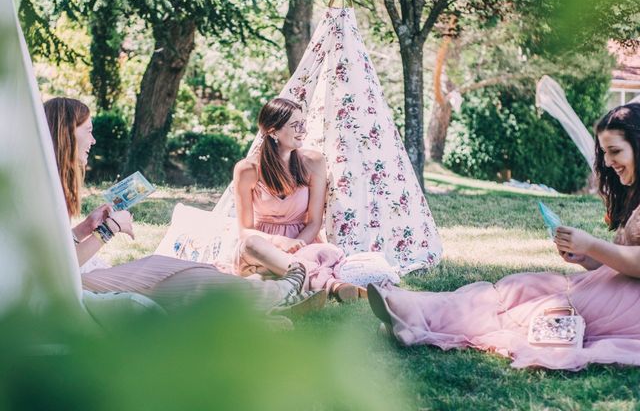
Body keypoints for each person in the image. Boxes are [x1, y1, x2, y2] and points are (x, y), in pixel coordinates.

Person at [367, 103, 640, 370]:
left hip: (630, 306)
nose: (607, 162)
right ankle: (415, 311)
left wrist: (592, 244)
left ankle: (416, 316)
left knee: (535, 309)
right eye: (604, 152)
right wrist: (587, 257)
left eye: (614, 151)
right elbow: (620, 263)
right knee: (523, 286)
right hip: (614, 287)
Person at [43, 97, 325, 315]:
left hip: (78, 277)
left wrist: (85, 226)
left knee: (190, 273)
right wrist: (109, 229)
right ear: (67, 134)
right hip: (70, 285)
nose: (93, 140)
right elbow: (56, 268)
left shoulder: (44, 183)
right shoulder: (39, 189)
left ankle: (266, 306)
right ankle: (281, 293)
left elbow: (53, 249)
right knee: (181, 279)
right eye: (88, 132)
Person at [234, 97, 366, 301]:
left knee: (325, 252)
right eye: (295, 125)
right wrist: (279, 242)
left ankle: (292, 280)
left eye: (303, 123)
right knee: (251, 244)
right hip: (264, 245)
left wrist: (296, 245)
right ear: (273, 131)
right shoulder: (247, 169)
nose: (302, 130)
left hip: (303, 241)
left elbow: (314, 221)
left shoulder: (313, 162)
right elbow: (244, 230)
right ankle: (331, 285)